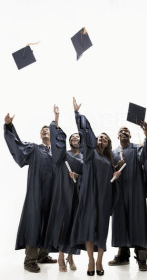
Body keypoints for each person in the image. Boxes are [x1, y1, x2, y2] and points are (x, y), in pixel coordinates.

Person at [70, 97, 120, 276]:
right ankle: (91, 260)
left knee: (102, 228)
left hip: (104, 197)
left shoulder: (110, 160)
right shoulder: (90, 153)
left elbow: (113, 182)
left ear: (108, 144)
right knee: (90, 227)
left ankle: (99, 260)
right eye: (100, 137)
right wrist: (77, 114)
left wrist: (116, 175)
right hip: (90, 195)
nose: (102, 140)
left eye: (105, 139)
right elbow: (85, 133)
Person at [4, 114, 57, 273]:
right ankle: (30, 259)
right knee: (34, 222)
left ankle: (43, 254)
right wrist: (8, 127)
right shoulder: (34, 149)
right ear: (41, 135)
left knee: (49, 221)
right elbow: (17, 146)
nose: (45, 131)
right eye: (43, 130)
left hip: (53, 193)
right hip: (37, 193)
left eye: (48, 129)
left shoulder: (58, 153)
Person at [109, 122, 147, 271]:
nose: (123, 132)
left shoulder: (137, 148)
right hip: (119, 192)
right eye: (121, 131)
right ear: (117, 136)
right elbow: (108, 173)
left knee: (139, 222)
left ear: (130, 135)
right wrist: (116, 167)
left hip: (136, 191)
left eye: (126, 131)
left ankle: (142, 258)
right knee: (120, 221)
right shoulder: (113, 153)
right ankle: (123, 255)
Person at [44, 105, 83, 272]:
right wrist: (56, 118)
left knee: (74, 225)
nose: (75, 137)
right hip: (62, 194)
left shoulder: (84, 157)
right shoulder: (62, 155)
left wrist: (78, 177)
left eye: (77, 136)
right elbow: (56, 139)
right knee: (62, 225)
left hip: (77, 195)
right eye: (72, 136)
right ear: (69, 141)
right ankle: (61, 256)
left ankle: (70, 256)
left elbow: (88, 178)